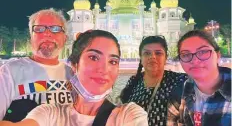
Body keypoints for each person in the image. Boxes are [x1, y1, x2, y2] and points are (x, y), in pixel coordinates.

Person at [0, 30, 148, 126]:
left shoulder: (129, 115)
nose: (104, 69)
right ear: (74, 65)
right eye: (93, 57)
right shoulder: (50, 113)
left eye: (113, 61)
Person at [0, 8, 74, 122]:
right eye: (39, 29)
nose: (47, 34)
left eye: (55, 29)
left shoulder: (73, 74)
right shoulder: (9, 72)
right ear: (31, 38)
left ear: (65, 39)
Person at [167, 30, 231, 126]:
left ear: (217, 55)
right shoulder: (180, 92)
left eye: (203, 52)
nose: (195, 60)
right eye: (186, 55)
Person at [120, 36, 187, 126]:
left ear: (166, 57)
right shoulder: (134, 81)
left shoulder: (180, 80)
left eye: (158, 53)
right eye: (147, 53)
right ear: (141, 58)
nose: (152, 57)